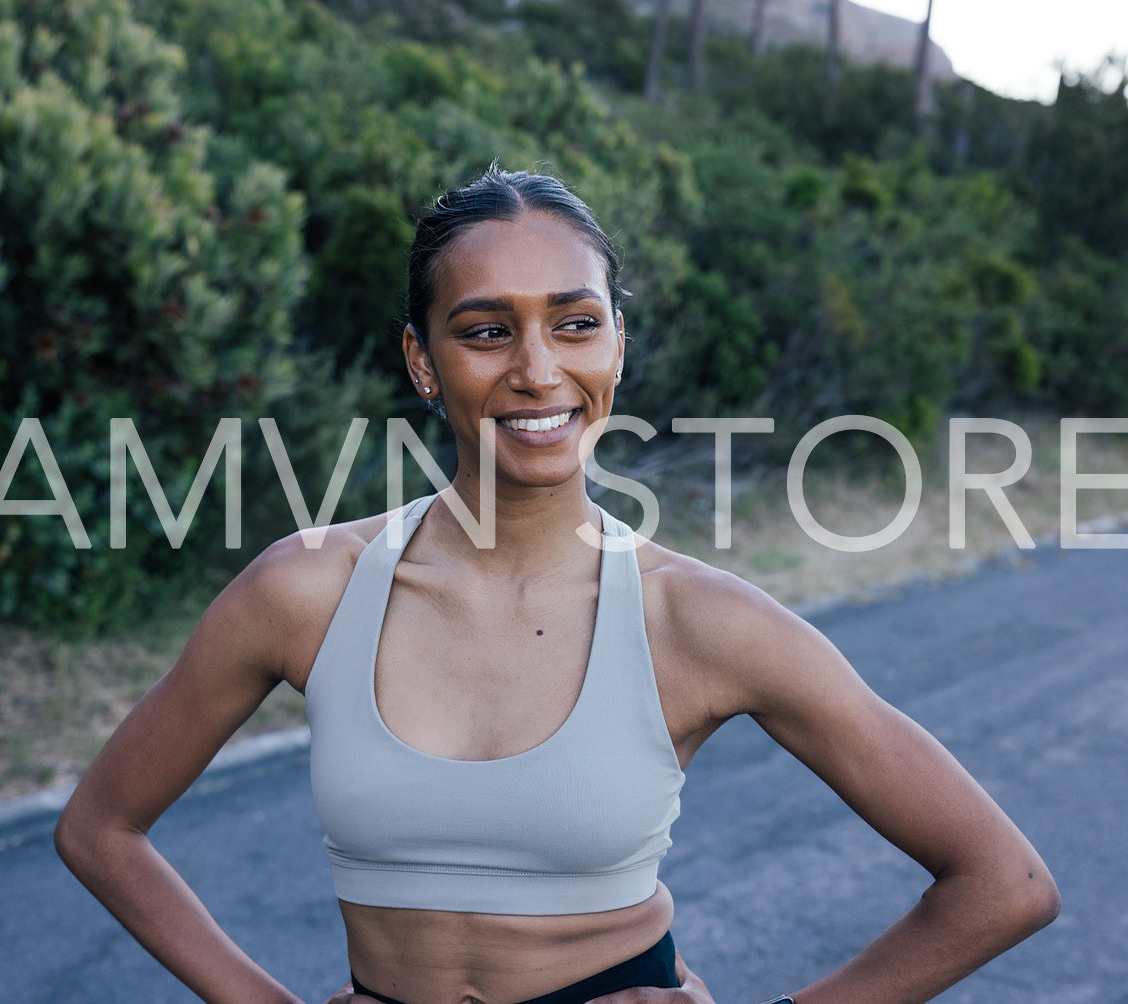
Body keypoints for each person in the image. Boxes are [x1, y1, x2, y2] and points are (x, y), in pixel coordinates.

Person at [55, 166, 1060, 1004]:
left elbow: (1002, 882)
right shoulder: (307, 588)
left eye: (574, 323)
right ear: (422, 358)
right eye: (486, 330)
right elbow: (101, 824)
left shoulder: (694, 619)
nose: (538, 370)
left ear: (614, 342)